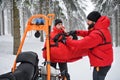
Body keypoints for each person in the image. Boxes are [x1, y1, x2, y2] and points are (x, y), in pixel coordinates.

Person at [67, 11, 113, 80]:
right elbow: (89, 34)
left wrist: (67, 40)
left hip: (101, 64)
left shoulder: (97, 34)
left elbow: (81, 44)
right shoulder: (101, 29)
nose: (87, 22)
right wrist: (77, 32)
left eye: (89, 21)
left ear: (94, 22)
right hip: (104, 62)